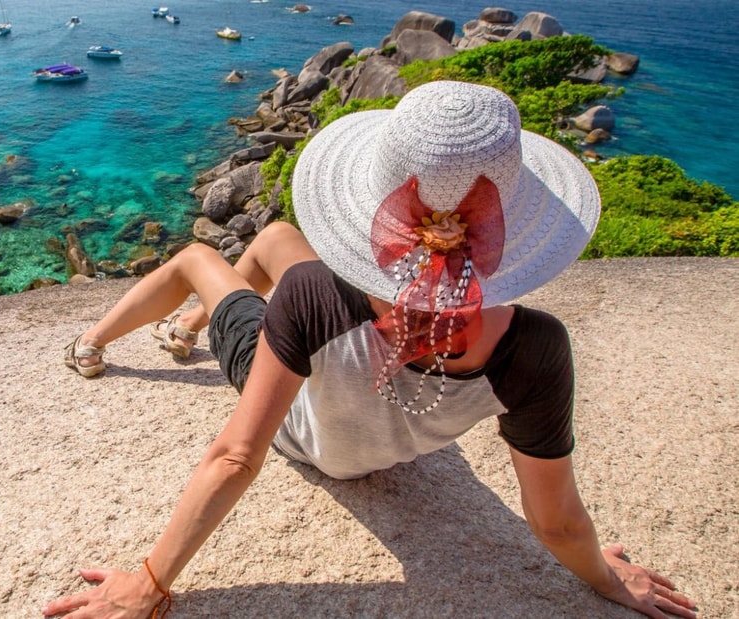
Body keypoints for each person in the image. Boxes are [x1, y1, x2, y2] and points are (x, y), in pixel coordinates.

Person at [47, 81, 697, 619]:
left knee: (197, 256)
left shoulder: (312, 296)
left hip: (299, 424)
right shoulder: (538, 349)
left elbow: (237, 454)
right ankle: (192, 321)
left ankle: (98, 340)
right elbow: (556, 520)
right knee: (275, 237)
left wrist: (151, 581)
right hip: (357, 388)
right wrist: (605, 577)